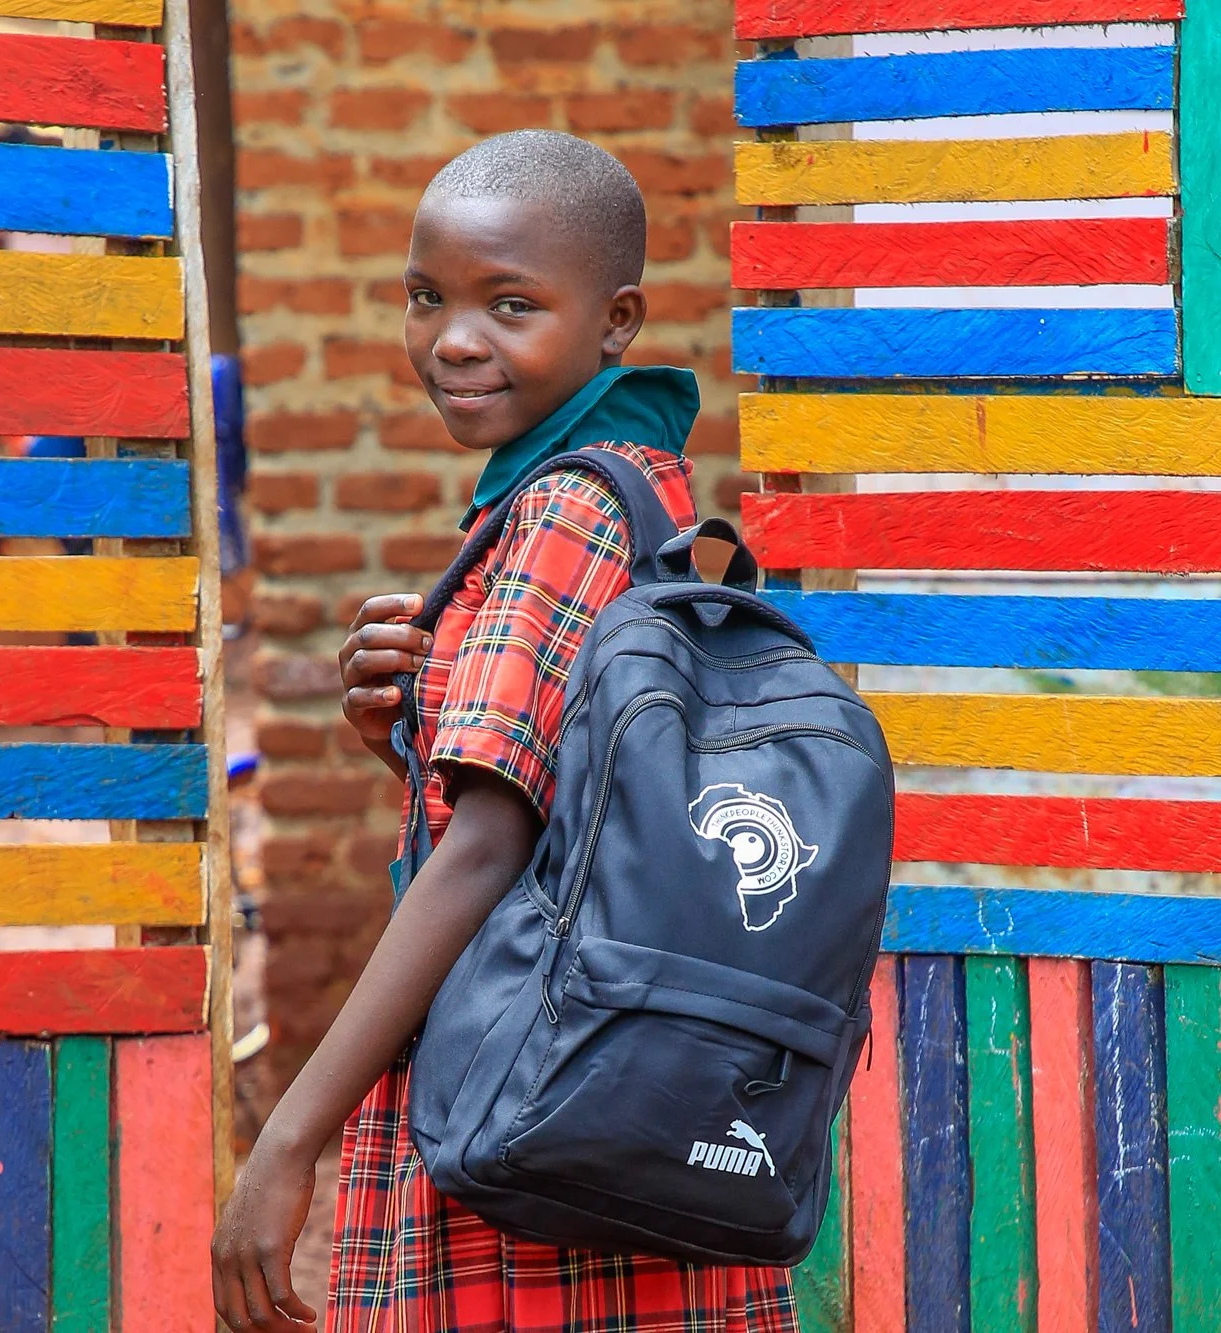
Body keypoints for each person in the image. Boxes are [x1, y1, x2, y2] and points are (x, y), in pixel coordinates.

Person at [211, 131, 797, 1333]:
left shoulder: (568, 509)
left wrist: (285, 1137)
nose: (453, 341)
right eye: (428, 297)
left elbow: (485, 847)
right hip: (600, 1077)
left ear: (615, 319)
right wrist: (413, 745)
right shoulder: (638, 489)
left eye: (510, 304)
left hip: (522, 1090)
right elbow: (575, 806)